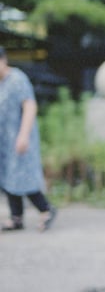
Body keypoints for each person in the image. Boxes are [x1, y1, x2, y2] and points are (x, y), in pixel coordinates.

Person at [0, 46, 57, 233]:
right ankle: (16, 217)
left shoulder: (17, 79)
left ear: (4, 60)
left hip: (19, 136)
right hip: (4, 139)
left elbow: (30, 106)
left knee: (23, 176)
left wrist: (23, 135)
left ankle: (46, 209)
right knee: (7, 175)